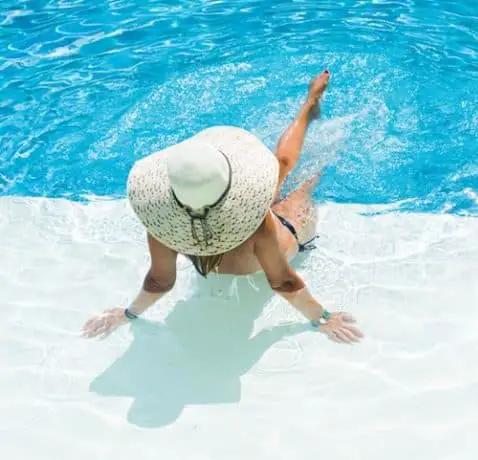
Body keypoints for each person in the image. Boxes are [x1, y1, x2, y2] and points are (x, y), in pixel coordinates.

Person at [82, 70, 364, 345]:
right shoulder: (258, 224)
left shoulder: (163, 224)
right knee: (301, 179)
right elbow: (282, 281)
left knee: (284, 168)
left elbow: (160, 281)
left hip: (252, 233)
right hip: (288, 231)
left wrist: (128, 314)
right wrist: (322, 317)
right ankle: (311, 107)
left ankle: (309, 105)